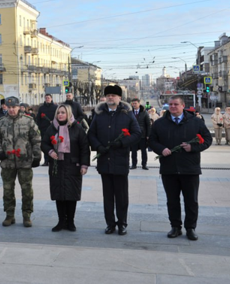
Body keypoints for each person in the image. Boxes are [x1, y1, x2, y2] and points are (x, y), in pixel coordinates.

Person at [149, 95, 212, 241]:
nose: (173, 107)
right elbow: (152, 140)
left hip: (190, 168)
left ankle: (191, 228)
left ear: (183, 106)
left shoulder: (195, 122)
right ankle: (175, 227)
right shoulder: (159, 123)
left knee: (191, 200)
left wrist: (193, 147)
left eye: (176, 104)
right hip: (169, 168)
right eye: (170, 104)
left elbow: (208, 139)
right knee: (172, 200)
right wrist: (161, 149)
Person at [88, 85, 142, 236]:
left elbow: (137, 133)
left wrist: (123, 143)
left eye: (114, 95)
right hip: (105, 161)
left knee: (122, 196)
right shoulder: (99, 114)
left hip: (120, 161)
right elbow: (91, 134)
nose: (111, 97)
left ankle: (122, 223)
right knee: (108, 196)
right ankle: (110, 223)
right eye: (108, 95)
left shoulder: (127, 114)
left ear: (119, 98)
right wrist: (98, 146)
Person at [0, 96, 42, 228]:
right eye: (9, 108)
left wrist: (37, 156)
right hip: (7, 162)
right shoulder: (1, 122)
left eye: (14, 107)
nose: (12, 110)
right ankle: (9, 215)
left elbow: (36, 139)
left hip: (24, 162)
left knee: (26, 190)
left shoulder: (28, 121)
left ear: (19, 107)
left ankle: (27, 215)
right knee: (8, 190)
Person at [41, 104, 89, 232]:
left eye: (63, 112)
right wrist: (51, 151)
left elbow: (84, 148)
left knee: (71, 195)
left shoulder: (77, 128)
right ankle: (61, 221)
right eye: (58, 112)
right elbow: (44, 143)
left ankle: (70, 222)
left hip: (73, 166)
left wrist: (84, 165)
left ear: (68, 114)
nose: (60, 115)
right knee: (59, 194)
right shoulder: (52, 128)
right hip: (57, 166)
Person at [36, 94, 58, 165]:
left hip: (54, 129)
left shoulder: (55, 107)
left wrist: (54, 122)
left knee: (54, 144)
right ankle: (46, 161)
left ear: (51, 98)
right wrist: (39, 127)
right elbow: (38, 118)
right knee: (45, 144)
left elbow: (58, 116)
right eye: (46, 98)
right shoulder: (41, 108)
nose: (47, 99)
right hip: (44, 129)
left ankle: (54, 159)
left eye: (48, 98)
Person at [130, 98, 151, 170]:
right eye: (133, 103)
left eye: (135, 103)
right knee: (133, 151)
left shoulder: (144, 113)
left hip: (142, 135)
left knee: (143, 151)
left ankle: (144, 164)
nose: (134, 105)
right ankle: (133, 164)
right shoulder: (130, 112)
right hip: (133, 135)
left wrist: (148, 135)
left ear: (139, 103)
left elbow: (148, 125)